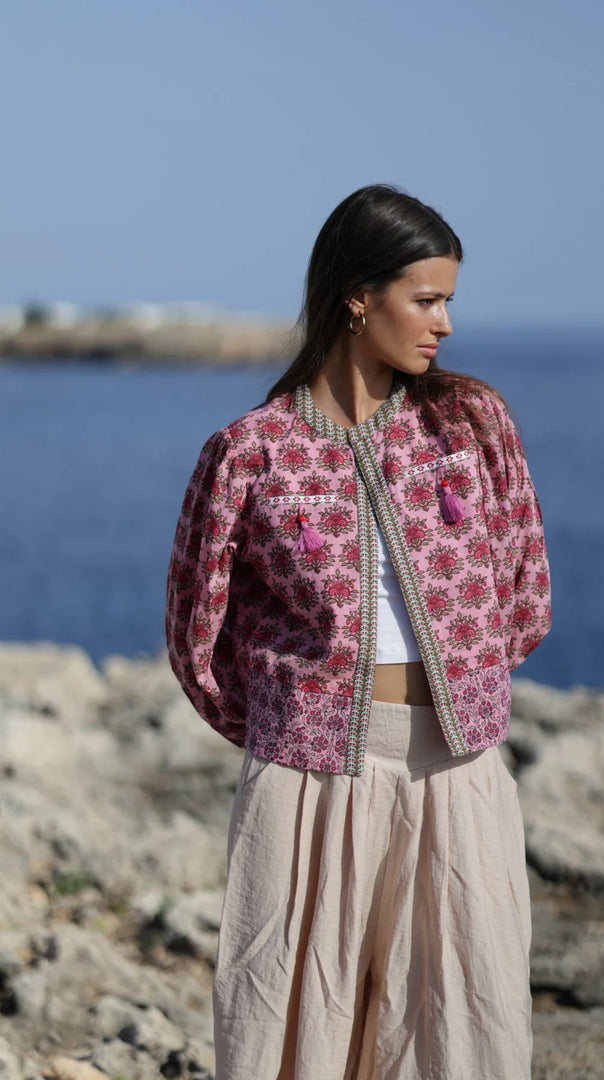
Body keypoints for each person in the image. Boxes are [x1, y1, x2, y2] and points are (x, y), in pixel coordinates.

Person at [165, 183, 551, 1080]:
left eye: (448, 300)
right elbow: (197, 635)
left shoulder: (469, 425)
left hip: (458, 769)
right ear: (358, 298)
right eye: (427, 299)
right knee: (298, 1027)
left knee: (465, 1024)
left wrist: (464, 690)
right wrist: (293, 724)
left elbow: (525, 585)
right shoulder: (250, 453)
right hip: (304, 784)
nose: (445, 323)